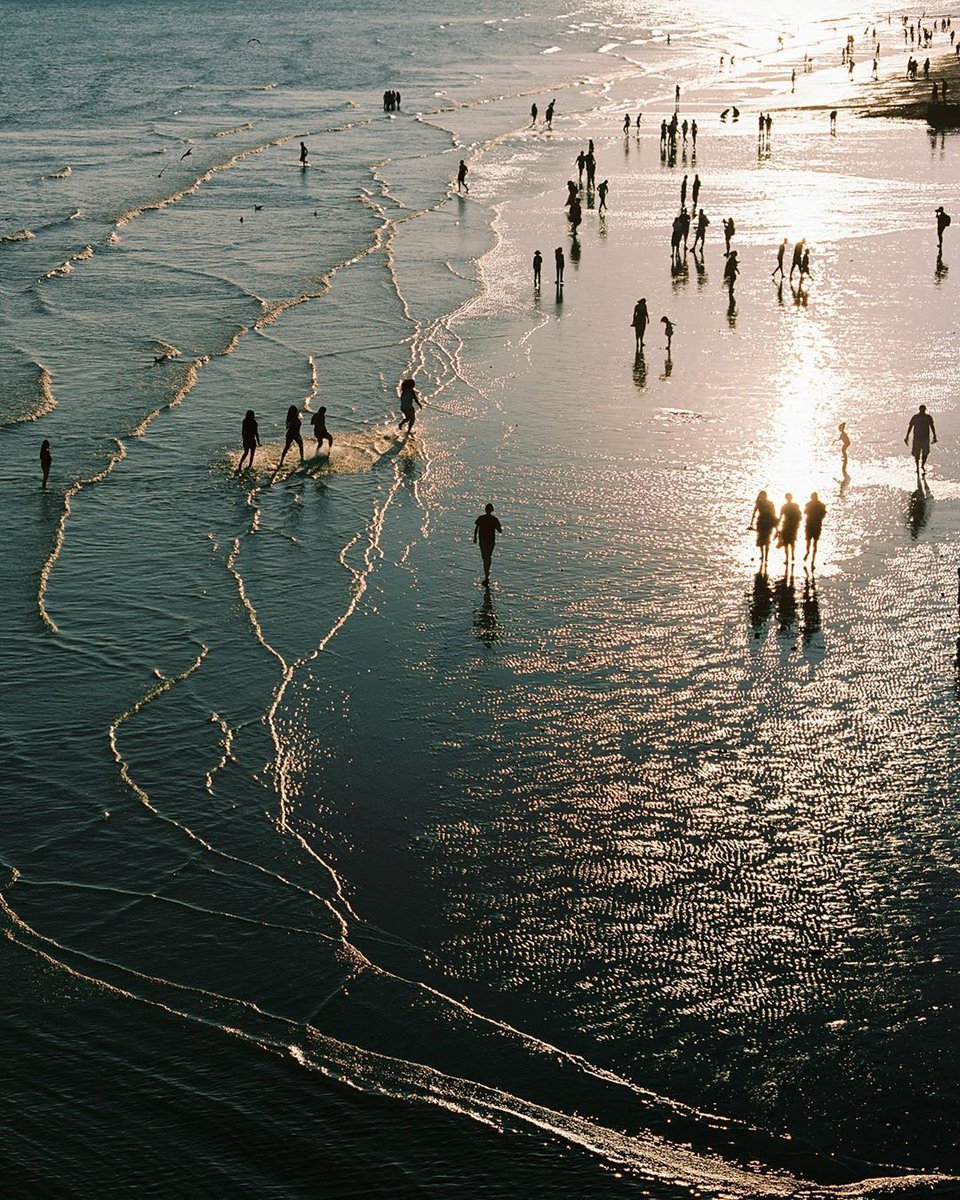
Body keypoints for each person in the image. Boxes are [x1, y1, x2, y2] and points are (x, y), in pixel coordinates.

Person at [473, 502, 502, 585]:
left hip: (483, 540)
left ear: (485, 510)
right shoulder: (494, 519)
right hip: (490, 541)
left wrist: (474, 537)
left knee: (485, 558)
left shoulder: (481, 518)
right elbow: (500, 530)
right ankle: (487, 574)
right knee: (488, 557)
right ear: (492, 510)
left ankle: (486, 575)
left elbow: (476, 529)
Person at [750, 490, 778, 572]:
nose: (762, 498)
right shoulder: (759, 503)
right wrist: (751, 523)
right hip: (762, 523)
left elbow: (774, 513)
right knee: (762, 540)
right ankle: (763, 555)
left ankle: (766, 556)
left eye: (763, 496)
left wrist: (775, 525)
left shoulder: (768, 503)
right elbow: (754, 513)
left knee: (766, 540)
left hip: (767, 523)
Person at [904, 403, 937, 472]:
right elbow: (910, 427)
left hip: (925, 438)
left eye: (923, 410)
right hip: (917, 439)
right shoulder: (915, 417)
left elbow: (932, 426)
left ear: (925, 410)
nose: (922, 411)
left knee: (925, 453)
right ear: (919, 409)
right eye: (921, 409)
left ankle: (922, 465)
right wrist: (907, 436)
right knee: (916, 454)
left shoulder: (928, 417)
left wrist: (934, 435)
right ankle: (917, 467)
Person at [777, 492, 802, 569]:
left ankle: (787, 559)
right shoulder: (795, 506)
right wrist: (797, 524)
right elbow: (800, 517)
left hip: (786, 525)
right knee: (792, 541)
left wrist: (776, 525)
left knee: (786, 542)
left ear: (786, 498)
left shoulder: (784, 507)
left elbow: (780, 517)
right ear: (791, 497)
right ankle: (793, 555)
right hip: (793, 526)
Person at [803, 492, 827, 567]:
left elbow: (805, 513)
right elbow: (823, 515)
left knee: (809, 542)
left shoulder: (809, 504)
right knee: (813, 543)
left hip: (810, 525)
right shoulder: (821, 505)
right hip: (816, 525)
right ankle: (812, 559)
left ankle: (809, 555)